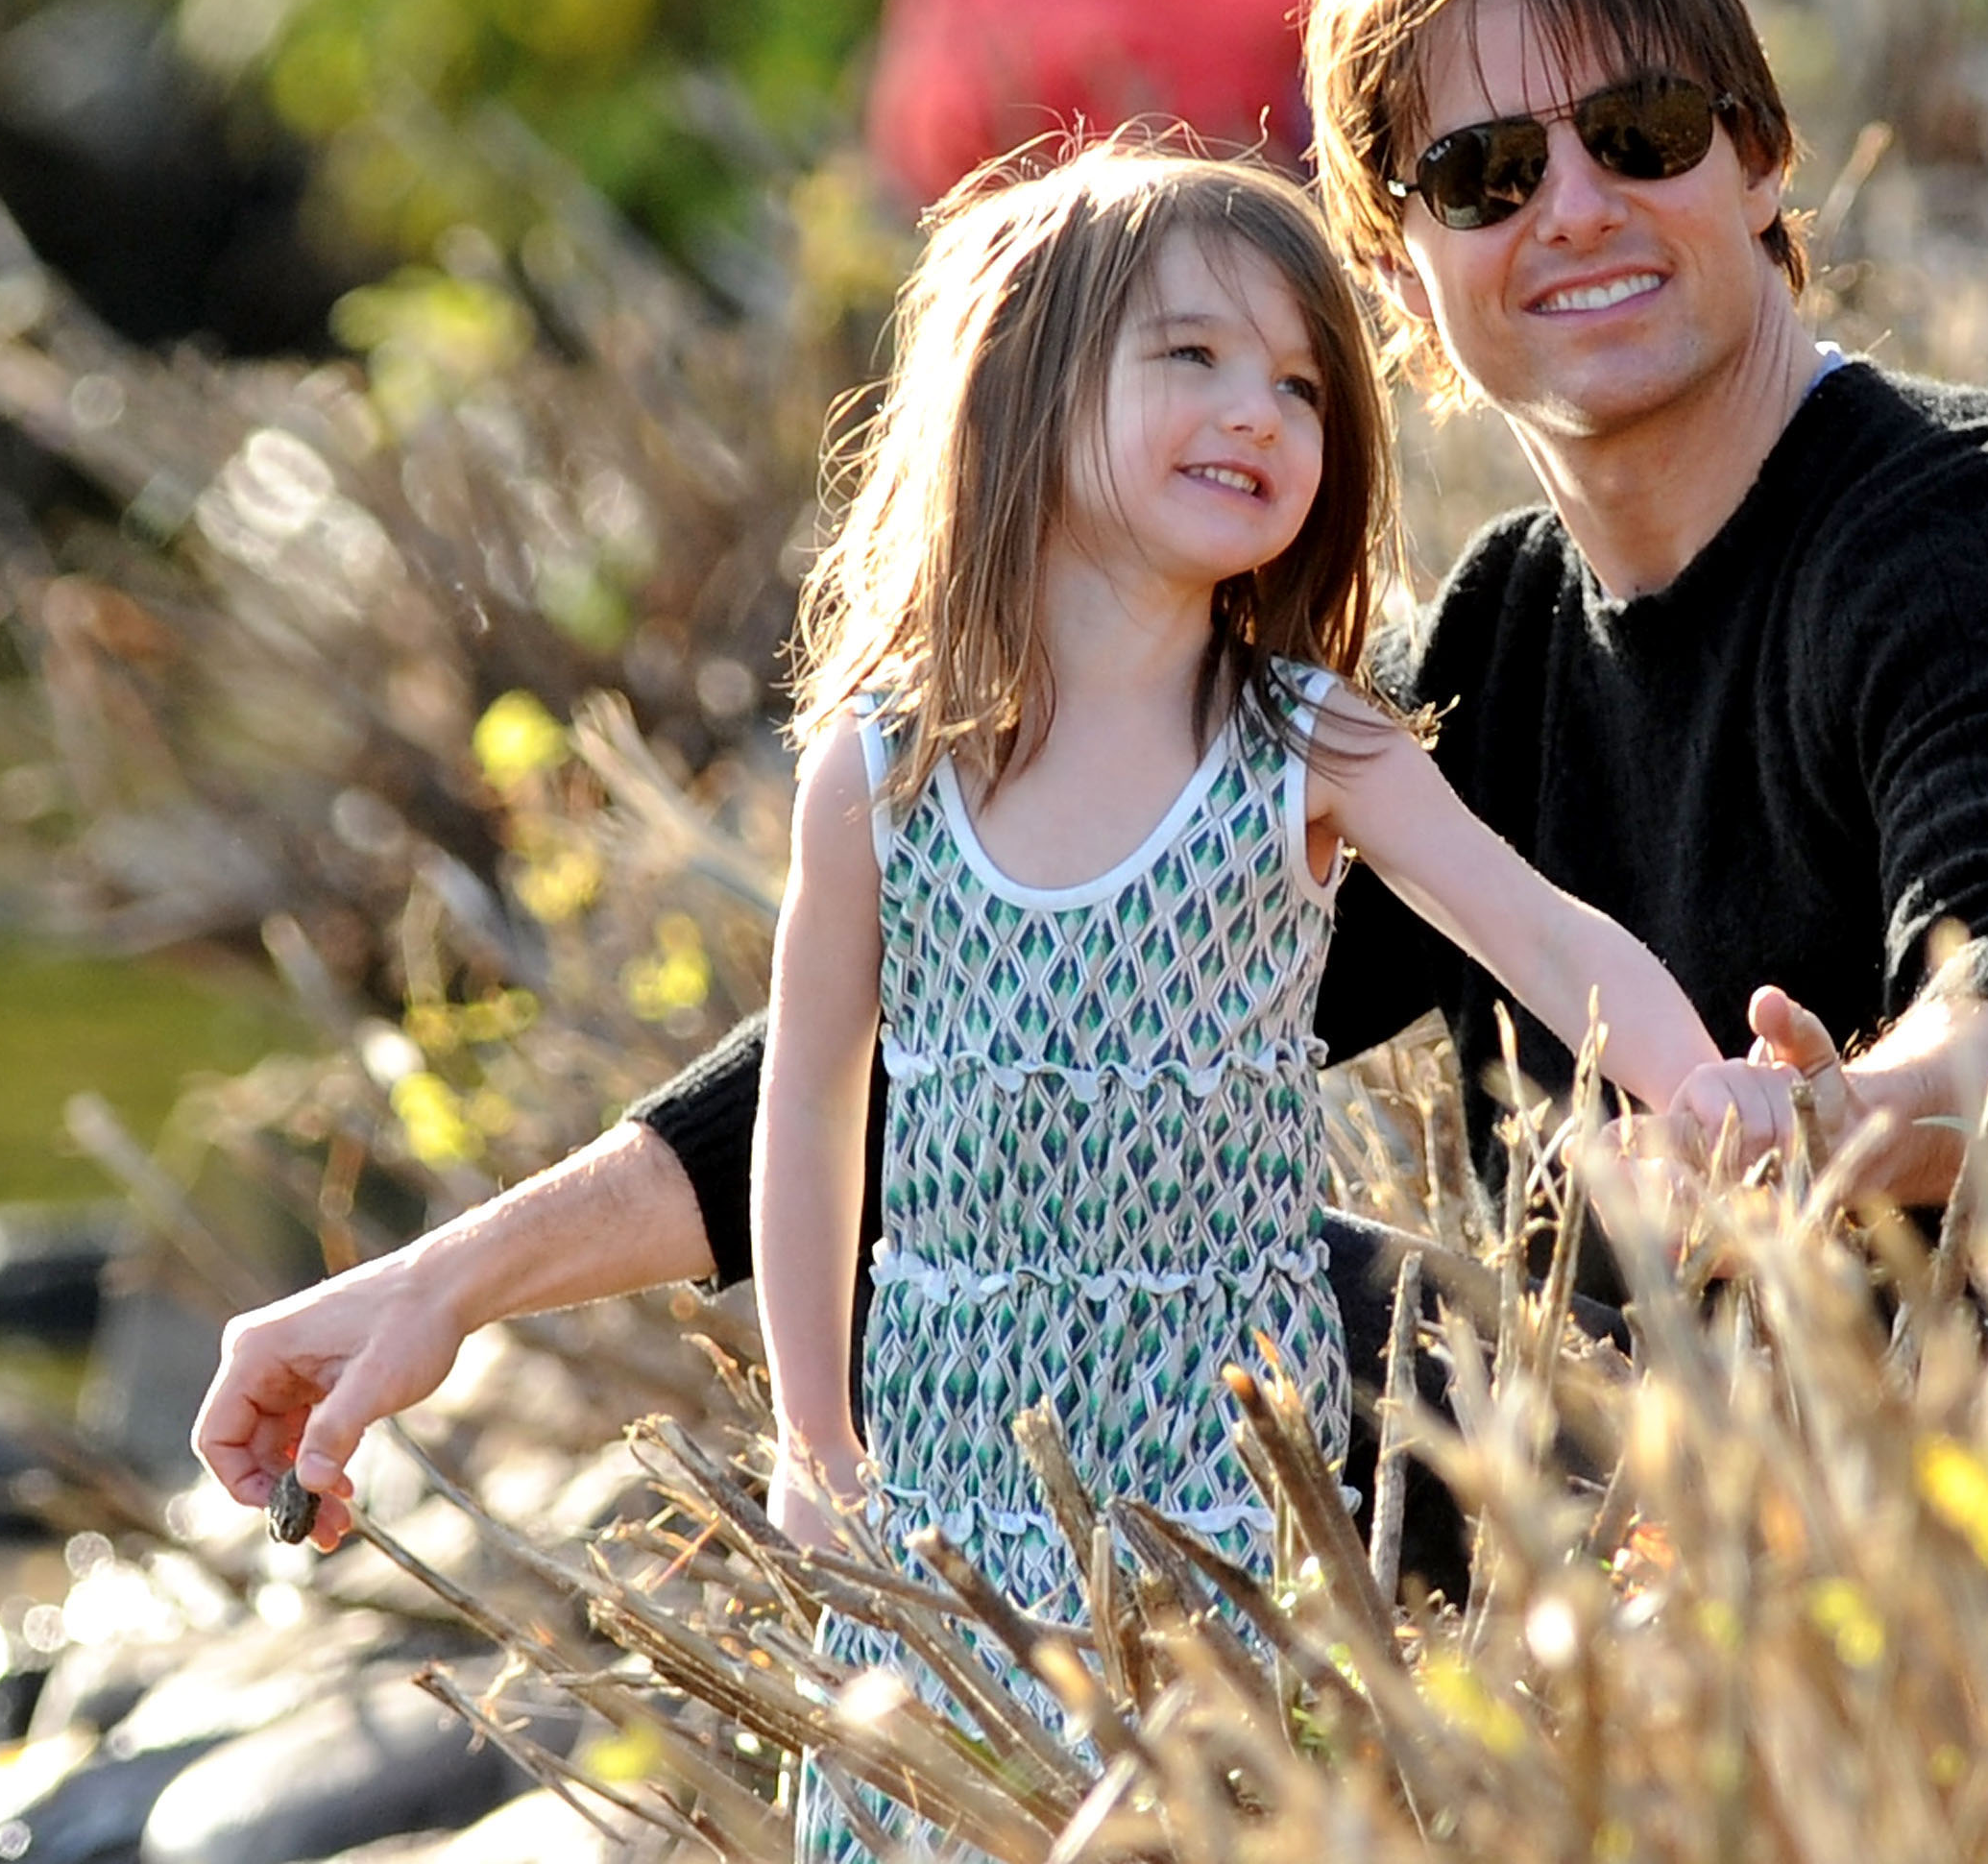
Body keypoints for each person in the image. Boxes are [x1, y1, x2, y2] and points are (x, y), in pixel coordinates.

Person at [196, 0, 1988, 1574]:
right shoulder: (1509, 633)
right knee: (1030, 1251)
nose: (1573, 206)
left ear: (1767, 162)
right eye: (1483, 175)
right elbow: (957, 1026)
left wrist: (1832, 1118)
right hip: (1651, 1474)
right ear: (1394, 274)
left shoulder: (1985, 540)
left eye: (1643, 129)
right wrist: (443, 1283)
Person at [750, 140, 1786, 1852]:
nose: (1259, 413)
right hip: (945, 1448)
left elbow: (1543, 935)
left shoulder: (1308, 744)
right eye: (1192, 359)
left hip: (1220, 1442)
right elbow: (809, 1113)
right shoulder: (883, 764)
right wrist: (813, 1434)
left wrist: (1699, 1083)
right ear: (1025, 388)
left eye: (1301, 385)